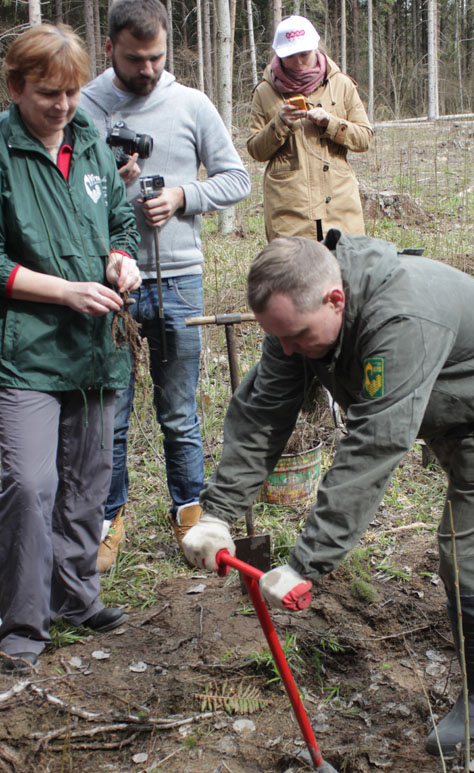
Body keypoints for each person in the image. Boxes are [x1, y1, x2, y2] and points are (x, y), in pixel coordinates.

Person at [182, 231, 474, 757]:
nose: (289, 349)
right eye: (279, 337)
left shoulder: (398, 321)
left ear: (336, 299)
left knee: (468, 549)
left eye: (298, 336)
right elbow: (264, 412)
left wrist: (307, 563)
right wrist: (218, 513)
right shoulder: (298, 315)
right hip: (442, 395)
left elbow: (373, 446)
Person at [79, 0, 251, 571]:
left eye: (156, 58)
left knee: (178, 409)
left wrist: (182, 196)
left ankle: (191, 515)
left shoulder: (192, 105)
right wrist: (110, 180)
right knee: (114, 409)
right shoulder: (84, 105)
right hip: (112, 284)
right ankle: (109, 518)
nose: (148, 70)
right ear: (110, 49)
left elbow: (236, 178)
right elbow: (68, 193)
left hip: (179, 280)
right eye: (135, 59)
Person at [0, 24, 141, 673]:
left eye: (73, 92)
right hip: (26, 351)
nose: (62, 106)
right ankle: (23, 622)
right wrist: (65, 292)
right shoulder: (2, 151)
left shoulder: (88, 143)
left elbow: (119, 221)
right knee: (30, 484)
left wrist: (121, 261)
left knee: (88, 484)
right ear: (15, 87)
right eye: (48, 93)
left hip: (95, 348)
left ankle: (77, 599)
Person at [247, 15, 373, 242]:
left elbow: (364, 138)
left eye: (304, 54)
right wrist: (280, 123)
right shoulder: (265, 91)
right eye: (290, 56)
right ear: (279, 55)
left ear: (316, 48)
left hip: (339, 207)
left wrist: (331, 123)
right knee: (294, 274)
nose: (298, 62)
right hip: (289, 211)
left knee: (343, 272)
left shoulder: (340, 84)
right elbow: (256, 150)